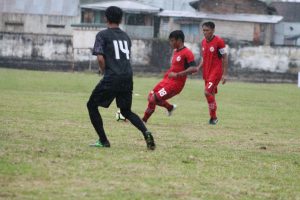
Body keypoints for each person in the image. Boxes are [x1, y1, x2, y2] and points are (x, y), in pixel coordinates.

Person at [87, 6, 155, 150]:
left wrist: (103, 71)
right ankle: (146, 132)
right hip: (127, 76)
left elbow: (100, 58)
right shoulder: (125, 36)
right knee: (126, 111)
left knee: (91, 105)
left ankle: (103, 140)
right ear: (121, 19)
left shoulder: (102, 35)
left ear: (106, 18)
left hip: (112, 76)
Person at [142, 30, 198, 123]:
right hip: (167, 80)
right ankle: (170, 107)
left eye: (172, 40)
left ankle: (143, 120)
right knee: (150, 97)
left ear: (179, 40)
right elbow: (175, 66)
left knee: (153, 99)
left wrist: (177, 74)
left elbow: (194, 69)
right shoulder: (175, 51)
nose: (170, 43)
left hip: (175, 85)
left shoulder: (187, 52)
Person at [197, 21, 228, 125]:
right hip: (207, 72)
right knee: (211, 95)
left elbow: (224, 57)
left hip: (216, 72)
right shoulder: (203, 42)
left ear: (213, 30)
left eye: (207, 30)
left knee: (207, 92)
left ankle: (214, 118)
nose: (205, 32)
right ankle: (213, 119)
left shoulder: (219, 41)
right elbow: (204, 58)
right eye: (203, 30)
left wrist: (224, 74)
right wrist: (198, 68)